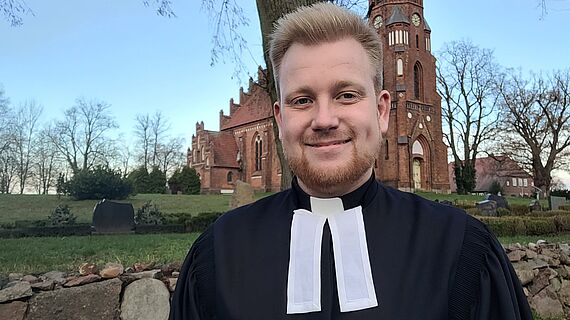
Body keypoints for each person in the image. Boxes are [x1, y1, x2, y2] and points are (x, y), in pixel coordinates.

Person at [170, 3, 532, 319]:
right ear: (280, 120)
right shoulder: (217, 257)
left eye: (346, 94)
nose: (325, 119)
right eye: (302, 100)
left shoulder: (462, 250)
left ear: (382, 110)